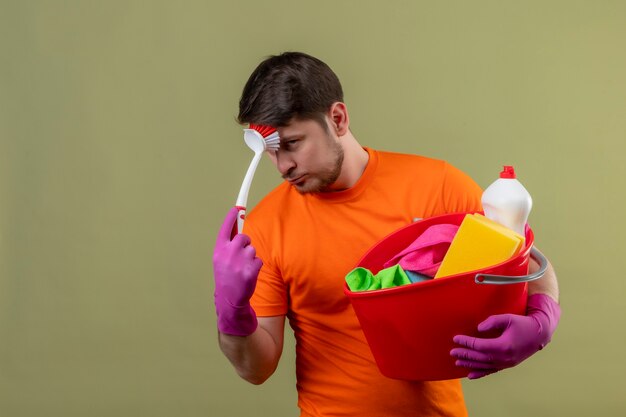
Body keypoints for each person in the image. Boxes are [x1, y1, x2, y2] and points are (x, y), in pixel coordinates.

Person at [213, 52, 561, 417]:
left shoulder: (437, 186)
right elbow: (256, 369)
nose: (284, 166)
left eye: (293, 143)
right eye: (272, 151)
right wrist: (232, 313)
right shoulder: (266, 226)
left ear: (338, 119)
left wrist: (543, 318)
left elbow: (528, 260)